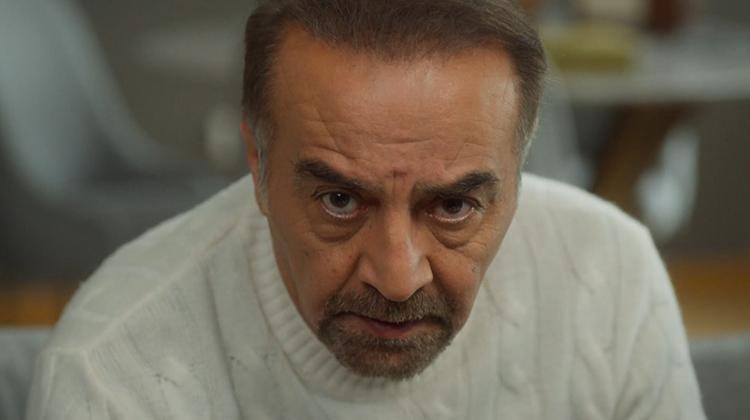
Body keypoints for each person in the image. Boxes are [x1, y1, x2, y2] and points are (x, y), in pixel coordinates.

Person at [27, 0, 706, 418]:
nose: (398, 278)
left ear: (519, 173)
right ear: (258, 162)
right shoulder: (113, 374)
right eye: (340, 200)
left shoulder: (610, 276)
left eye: (454, 206)